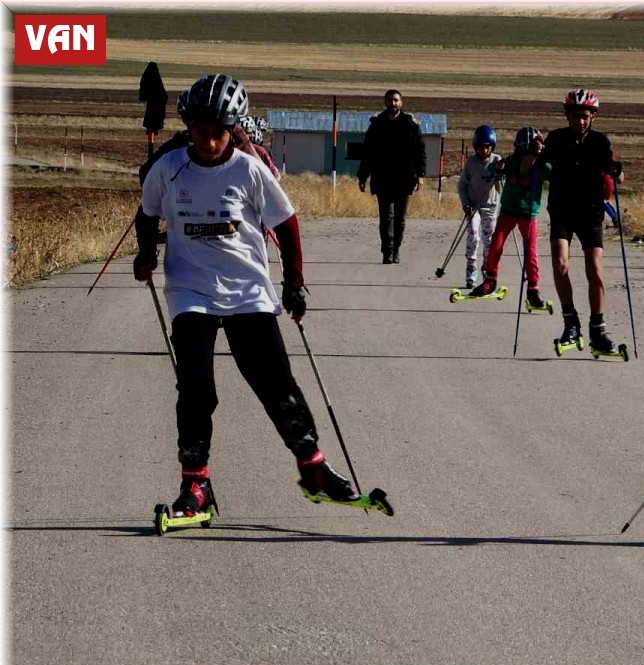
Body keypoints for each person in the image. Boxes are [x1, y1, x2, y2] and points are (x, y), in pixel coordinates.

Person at [135, 74, 361, 520]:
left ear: (233, 129)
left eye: (219, 133)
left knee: (277, 385)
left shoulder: (249, 169)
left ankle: (313, 468)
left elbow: (287, 225)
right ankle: (195, 485)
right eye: (201, 132)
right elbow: (147, 215)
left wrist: (293, 282)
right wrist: (145, 254)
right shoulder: (169, 168)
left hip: (247, 292)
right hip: (190, 291)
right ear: (189, 127)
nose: (209, 142)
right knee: (196, 390)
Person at [541, 88, 624, 354]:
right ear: (567, 115)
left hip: (590, 211)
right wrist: (535, 156)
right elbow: (540, 165)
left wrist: (616, 170)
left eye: (585, 116)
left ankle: (598, 330)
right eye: (576, 116)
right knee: (560, 264)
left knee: (595, 269)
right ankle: (571, 323)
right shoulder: (556, 139)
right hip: (562, 209)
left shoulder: (600, 141)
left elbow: (612, 168)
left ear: (593, 117)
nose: (581, 121)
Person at [469, 125, 551, 311]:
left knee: (530, 252)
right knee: (496, 246)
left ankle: (533, 288)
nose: (522, 154)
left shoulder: (542, 165)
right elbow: (495, 167)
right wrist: (497, 167)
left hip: (528, 215)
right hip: (508, 212)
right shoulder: (512, 161)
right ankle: (490, 280)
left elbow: (555, 175)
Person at [357, 89, 427, 264]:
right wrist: (362, 176)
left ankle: (395, 250)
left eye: (396, 100)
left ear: (401, 103)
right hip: (383, 178)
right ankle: (387, 252)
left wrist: (420, 174)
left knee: (400, 220)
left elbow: (420, 151)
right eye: (390, 100)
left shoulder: (410, 125)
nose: (393, 103)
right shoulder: (377, 125)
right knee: (386, 217)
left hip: (404, 178)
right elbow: (368, 153)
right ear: (385, 102)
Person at [458, 125, 502, 288]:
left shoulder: (497, 161)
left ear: (492, 147)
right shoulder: (471, 163)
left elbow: (501, 188)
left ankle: (486, 270)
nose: (483, 150)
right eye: (480, 147)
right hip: (473, 206)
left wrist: (500, 175)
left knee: (489, 240)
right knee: (473, 234)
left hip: (490, 206)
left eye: (487, 147)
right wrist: (465, 204)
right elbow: (462, 185)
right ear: (475, 147)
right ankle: (471, 269)